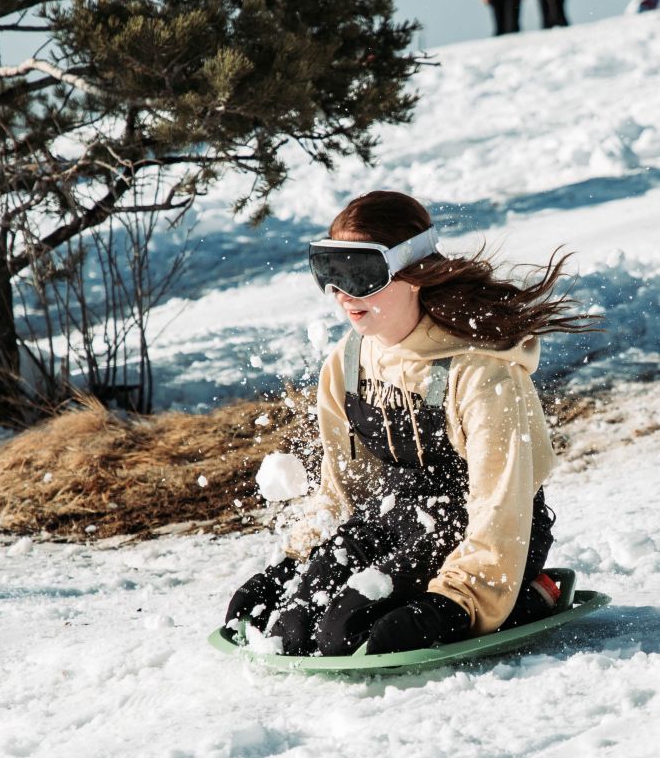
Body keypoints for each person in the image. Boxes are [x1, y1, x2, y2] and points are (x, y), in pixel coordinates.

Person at [226, 191, 595, 656]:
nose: (342, 295)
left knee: (345, 634)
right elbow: (342, 491)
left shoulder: (482, 374)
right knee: (289, 632)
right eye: (329, 273)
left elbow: (502, 509)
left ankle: (533, 595)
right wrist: (290, 565)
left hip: (486, 531)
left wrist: (455, 605)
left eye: (360, 275)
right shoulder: (348, 362)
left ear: (414, 273)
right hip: (391, 517)